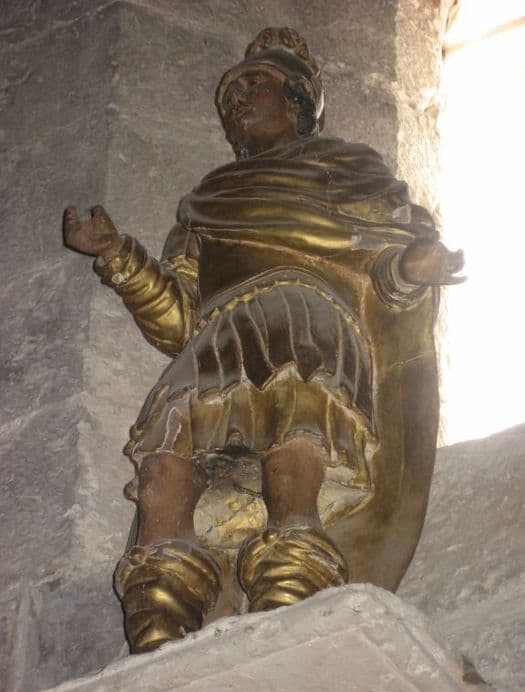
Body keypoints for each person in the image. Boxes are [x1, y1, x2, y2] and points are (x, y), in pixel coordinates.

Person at [64, 27, 464, 654]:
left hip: (305, 324)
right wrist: (118, 256)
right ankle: (157, 625)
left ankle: (287, 605)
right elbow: (177, 319)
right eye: (229, 95)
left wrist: (409, 271)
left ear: (299, 101)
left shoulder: (349, 169)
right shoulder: (206, 201)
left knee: (295, 457)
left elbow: (381, 261)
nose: (238, 100)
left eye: (255, 85)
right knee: (164, 465)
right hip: (215, 341)